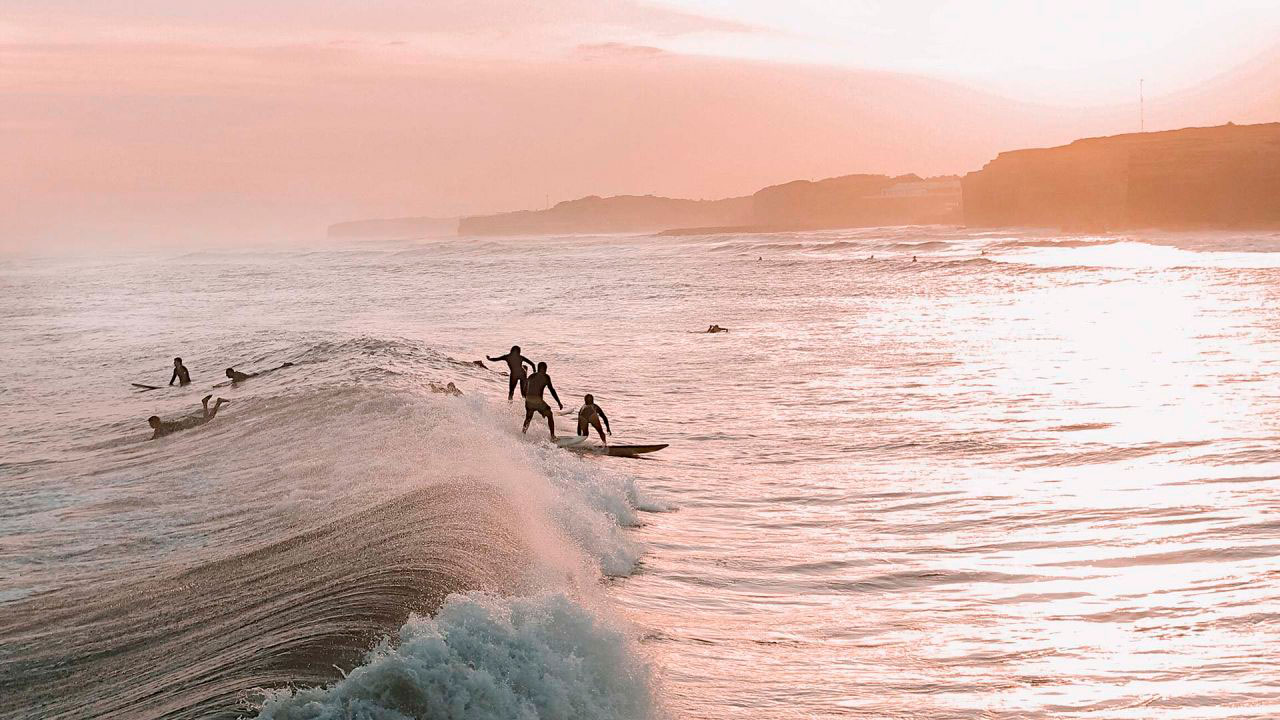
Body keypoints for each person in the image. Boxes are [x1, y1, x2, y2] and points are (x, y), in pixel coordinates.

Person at [148, 394, 228, 439]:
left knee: (208, 420)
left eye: (151, 423)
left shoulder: (160, 428)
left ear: (156, 421)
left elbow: (155, 438)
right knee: (206, 419)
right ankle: (206, 402)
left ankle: (216, 402)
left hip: (187, 423)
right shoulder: (161, 427)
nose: (150, 425)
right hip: (186, 422)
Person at [522, 362, 563, 438]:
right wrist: (558, 402)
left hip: (528, 400)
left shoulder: (531, 376)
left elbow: (524, 389)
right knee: (549, 414)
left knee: (528, 418)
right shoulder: (546, 377)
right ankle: (553, 436)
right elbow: (552, 390)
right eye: (545, 368)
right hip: (537, 401)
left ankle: (523, 434)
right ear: (544, 369)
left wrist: (527, 398)